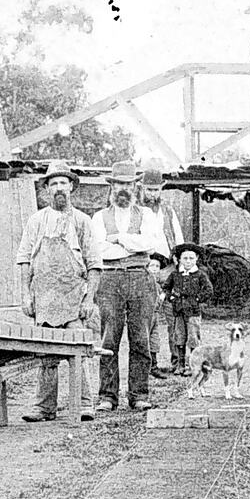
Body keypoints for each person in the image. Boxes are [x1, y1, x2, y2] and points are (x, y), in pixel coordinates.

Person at [17, 159, 101, 422]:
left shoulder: (82, 221)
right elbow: (24, 260)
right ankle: (44, 407)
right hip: (44, 299)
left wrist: (89, 299)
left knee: (79, 353)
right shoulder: (36, 221)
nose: (59, 188)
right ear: (47, 189)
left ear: (72, 187)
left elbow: (95, 265)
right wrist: (25, 294)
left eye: (64, 182)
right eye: (54, 183)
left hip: (73, 299)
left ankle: (85, 404)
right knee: (47, 357)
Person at [91, 161, 157, 411]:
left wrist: (118, 239)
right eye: (119, 183)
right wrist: (133, 243)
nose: (123, 188)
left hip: (140, 277)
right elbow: (98, 249)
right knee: (110, 339)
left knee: (140, 338)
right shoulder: (99, 217)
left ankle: (139, 394)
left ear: (135, 186)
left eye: (128, 184)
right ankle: (108, 396)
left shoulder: (146, 215)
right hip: (110, 279)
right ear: (111, 186)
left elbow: (150, 244)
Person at [139, 166, 184, 376]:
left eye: (156, 190)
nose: (152, 194)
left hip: (167, 268)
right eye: (149, 190)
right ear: (142, 189)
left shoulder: (168, 210)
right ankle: (151, 363)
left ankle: (177, 362)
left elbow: (179, 238)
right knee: (148, 318)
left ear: (161, 190)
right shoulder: (136, 210)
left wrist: (181, 265)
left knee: (173, 316)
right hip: (145, 267)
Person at [163, 242, 214, 377]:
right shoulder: (175, 275)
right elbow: (166, 287)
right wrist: (171, 298)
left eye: (191, 258)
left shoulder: (200, 274)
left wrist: (197, 299)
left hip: (193, 312)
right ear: (179, 259)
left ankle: (194, 365)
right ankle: (180, 365)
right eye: (185, 258)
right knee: (179, 337)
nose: (188, 261)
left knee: (193, 338)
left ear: (196, 258)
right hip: (179, 311)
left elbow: (209, 290)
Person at [146, 252, 171, 378]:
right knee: (145, 339)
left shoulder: (160, 285)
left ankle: (154, 366)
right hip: (144, 314)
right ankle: (145, 367)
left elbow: (162, 296)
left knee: (155, 339)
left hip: (155, 315)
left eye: (157, 266)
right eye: (152, 266)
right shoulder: (144, 281)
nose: (154, 269)